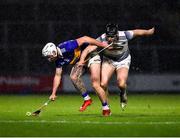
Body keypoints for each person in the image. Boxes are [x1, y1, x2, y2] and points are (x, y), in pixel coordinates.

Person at [78, 23, 155, 110]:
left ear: (117, 34)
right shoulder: (102, 38)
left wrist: (149, 32)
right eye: (108, 36)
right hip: (109, 60)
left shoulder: (125, 34)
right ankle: (106, 106)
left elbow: (138, 32)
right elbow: (88, 48)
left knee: (121, 84)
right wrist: (81, 60)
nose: (110, 39)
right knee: (103, 84)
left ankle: (123, 93)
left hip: (123, 60)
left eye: (112, 36)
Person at [41, 36, 110, 116]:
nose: (49, 59)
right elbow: (57, 75)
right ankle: (87, 99)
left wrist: (102, 44)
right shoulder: (58, 60)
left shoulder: (67, 46)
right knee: (73, 77)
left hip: (91, 55)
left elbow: (85, 38)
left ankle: (106, 108)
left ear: (53, 52)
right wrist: (53, 93)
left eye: (48, 56)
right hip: (81, 62)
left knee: (95, 84)